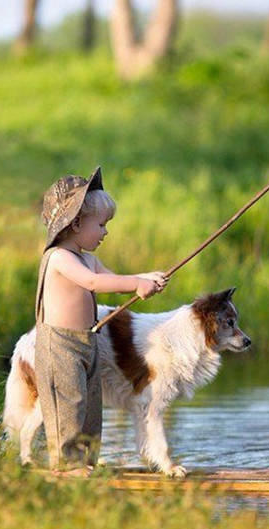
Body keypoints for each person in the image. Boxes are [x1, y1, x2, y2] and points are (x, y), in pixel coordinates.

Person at [35, 166, 167, 476]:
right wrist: (135, 282)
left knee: (90, 402)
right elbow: (93, 283)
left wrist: (144, 279)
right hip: (59, 344)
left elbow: (112, 279)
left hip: (87, 339)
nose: (106, 232)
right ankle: (66, 465)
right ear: (76, 223)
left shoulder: (88, 257)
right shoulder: (59, 257)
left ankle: (86, 459)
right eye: (102, 225)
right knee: (68, 402)